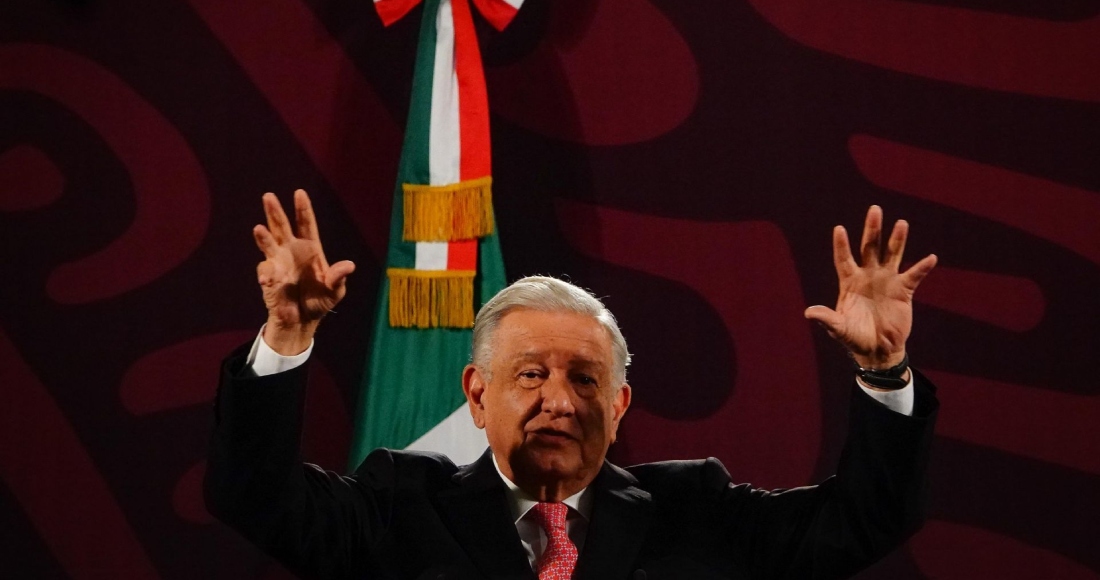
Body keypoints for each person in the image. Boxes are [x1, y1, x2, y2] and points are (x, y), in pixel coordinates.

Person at [205, 189, 939, 580]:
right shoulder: (400, 507)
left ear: (618, 405)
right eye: (531, 374)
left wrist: (885, 372)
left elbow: (864, 521)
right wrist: (287, 340)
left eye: (586, 379)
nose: (560, 400)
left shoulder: (698, 510)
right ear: (477, 394)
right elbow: (253, 496)